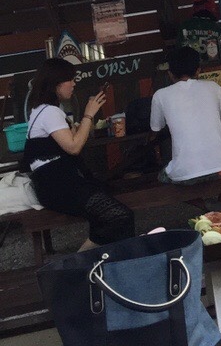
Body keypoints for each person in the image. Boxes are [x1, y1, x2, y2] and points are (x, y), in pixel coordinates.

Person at [21, 58, 135, 249]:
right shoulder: (49, 112)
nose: (74, 84)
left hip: (54, 182)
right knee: (119, 216)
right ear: (56, 84)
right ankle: (81, 260)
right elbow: (74, 147)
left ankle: (89, 260)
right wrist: (89, 114)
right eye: (70, 80)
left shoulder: (42, 110)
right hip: (57, 184)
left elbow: (73, 139)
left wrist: (81, 122)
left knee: (110, 218)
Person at [150, 45, 221, 184]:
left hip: (185, 173)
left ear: (170, 73)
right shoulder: (213, 87)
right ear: (198, 71)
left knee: (162, 177)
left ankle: (204, 200)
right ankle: (220, 198)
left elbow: (156, 128)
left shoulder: (160, 95)